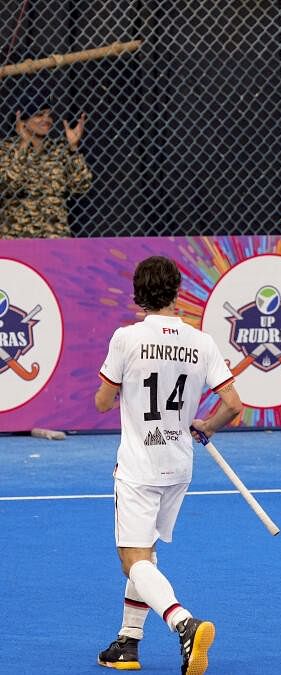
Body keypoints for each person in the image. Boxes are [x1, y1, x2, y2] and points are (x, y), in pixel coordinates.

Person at [94, 256, 245, 674]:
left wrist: (122, 387)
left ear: (137, 295)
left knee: (132, 559)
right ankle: (128, 642)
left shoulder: (126, 338)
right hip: (178, 463)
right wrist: (207, 425)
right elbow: (234, 405)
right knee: (148, 556)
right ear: (177, 292)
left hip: (140, 463)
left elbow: (103, 401)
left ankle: (183, 623)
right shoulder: (201, 341)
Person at [0, 103, 92, 238]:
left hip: (55, 235)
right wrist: (24, 144)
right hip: (17, 236)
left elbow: (81, 185)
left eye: (49, 115)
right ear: (23, 120)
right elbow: (6, 186)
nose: (46, 119)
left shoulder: (59, 149)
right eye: (39, 115)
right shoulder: (6, 148)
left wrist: (73, 148)